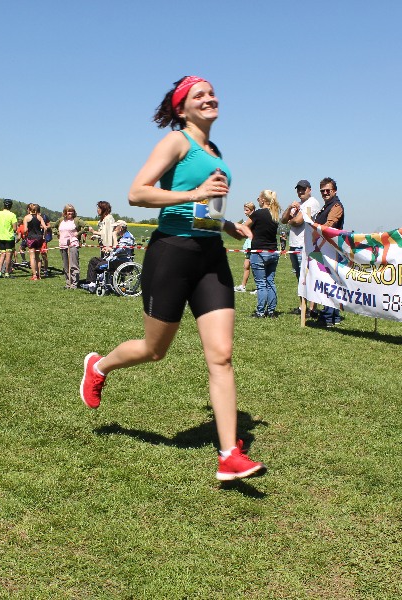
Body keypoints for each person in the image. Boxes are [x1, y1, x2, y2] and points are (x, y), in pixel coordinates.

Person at [79, 75, 266, 481]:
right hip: (172, 253)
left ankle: (229, 454)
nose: (210, 98)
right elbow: (137, 193)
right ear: (182, 109)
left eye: (212, 92)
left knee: (221, 354)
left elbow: (207, 209)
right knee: (154, 349)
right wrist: (193, 194)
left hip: (210, 256)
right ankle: (99, 366)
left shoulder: (215, 152)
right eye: (199, 95)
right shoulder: (176, 142)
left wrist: (228, 225)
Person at [281, 179, 321, 314]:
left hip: (305, 245)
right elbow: (283, 219)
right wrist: (289, 208)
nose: (300, 192)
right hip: (294, 245)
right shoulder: (298, 204)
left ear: (310, 189)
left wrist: (291, 219)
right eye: (298, 189)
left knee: (309, 277)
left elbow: (297, 221)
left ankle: (312, 308)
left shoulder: (312, 203)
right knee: (300, 277)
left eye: (303, 189)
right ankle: (302, 306)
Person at [242, 190, 281, 318]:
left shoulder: (258, 214)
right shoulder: (275, 213)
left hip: (259, 253)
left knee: (261, 284)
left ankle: (260, 312)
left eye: (258, 198)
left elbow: (244, 226)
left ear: (263, 199)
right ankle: (271, 311)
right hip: (273, 252)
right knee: (270, 282)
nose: (257, 200)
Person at [314, 177, 345, 327]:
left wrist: (315, 229)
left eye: (328, 190)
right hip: (324, 248)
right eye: (322, 191)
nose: (325, 193)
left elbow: (329, 225)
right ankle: (334, 316)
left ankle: (327, 317)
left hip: (330, 249)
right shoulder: (326, 206)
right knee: (331, 281)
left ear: (335, 191)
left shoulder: (336, 206)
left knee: (329, 282)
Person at [57, 204, 85, 289]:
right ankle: (68, 283)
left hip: (73, 244)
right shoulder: (61, 220)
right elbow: (53, 226)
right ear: (65, 212)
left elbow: (86, 227)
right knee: (66, 266)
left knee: (73, 264)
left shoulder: (76, 220)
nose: (70, 213)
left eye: (72, 211)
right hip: (62, 245)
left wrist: (78, 233)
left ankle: (74, 284)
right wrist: (57, 233)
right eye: (69, 211)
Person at [233, 202, 255, 293]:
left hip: (253, 246)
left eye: (247, 210)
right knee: (246, 266)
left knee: (255, 267)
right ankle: (243, 286)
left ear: (252, 210)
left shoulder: (253, 220)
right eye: (244, 210)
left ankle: (260, 287)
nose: (245, 212)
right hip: (248, 247)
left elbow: (243, 231)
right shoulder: (247, 221)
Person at [22, 203, 47, 280]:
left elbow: (25, 229)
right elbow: (45, 228)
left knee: (32, 257)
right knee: (37, 257)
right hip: (39, 238)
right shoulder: (39, 217)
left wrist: (25, 234)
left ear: (28, 209)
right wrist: (44, 236)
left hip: (31, 238)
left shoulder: (26, 217)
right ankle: (39, 275)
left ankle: (34, 275)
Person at [0, 200, 16, 278]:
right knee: (8, 256)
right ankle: (7, 273)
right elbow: (15, 228)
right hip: (9, 238)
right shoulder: (12, 215)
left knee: (2, 255)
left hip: (0, 237)